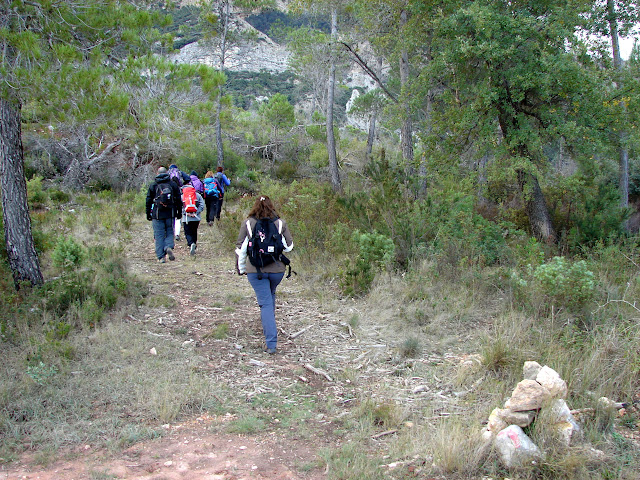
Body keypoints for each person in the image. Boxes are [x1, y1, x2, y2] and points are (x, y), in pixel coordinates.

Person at [235, 196, 293, 354]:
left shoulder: (248, 223)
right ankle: (269, 327)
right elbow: (288, 247)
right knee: (270, 297)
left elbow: (241, 249)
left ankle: (271, 342)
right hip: (277, 270)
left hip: (256, 271)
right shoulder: (280, 223)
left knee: (265, 304)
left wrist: (240, 268)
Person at [146, 166, 182, 263]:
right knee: (170, 232)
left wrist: (148, 213)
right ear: (167, 173)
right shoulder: (173, 184)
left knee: (159, 235)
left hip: (157, 214)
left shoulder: (154, 185)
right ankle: (168, 246)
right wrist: (179, 212)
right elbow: (179, 199)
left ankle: (161, 257)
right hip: (170, 213)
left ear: (157, 173)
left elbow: (148, 200)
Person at [181, 179, 205, 256]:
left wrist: (186, 213)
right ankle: (194, 243)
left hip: (186, 218)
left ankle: (190, 243)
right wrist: (196, 212)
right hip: (196, 218)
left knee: (187, 232)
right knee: (194, 231)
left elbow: (179, 206)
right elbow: (202, 205)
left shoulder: (182, 196)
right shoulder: (197, 195)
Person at [168, 163, 190, 241]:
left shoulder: (167, 173)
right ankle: (177, 233)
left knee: (170, 216)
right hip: (179, 194)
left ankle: (170, 233)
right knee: (178, 216)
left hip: (169, 196)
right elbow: (188, 178)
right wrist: (183, 184)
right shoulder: (180, 172)